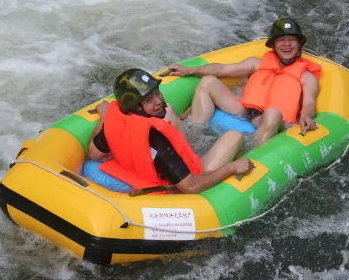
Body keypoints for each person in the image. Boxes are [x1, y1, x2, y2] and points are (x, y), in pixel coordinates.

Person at [87, 68, 254, 194]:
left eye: (157, 93)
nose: (159, 100)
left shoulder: (116, 121)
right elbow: (190, 187)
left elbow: (93, 153)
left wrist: (104, 118)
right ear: (136, 107)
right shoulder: (157, 140)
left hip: (144, 170)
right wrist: (231, 168)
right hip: (183, 182)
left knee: (169, 110)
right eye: (149, 100)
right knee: (235, 136)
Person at [168, 17, 322, 143]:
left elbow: (309, 103)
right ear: (273, 45)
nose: (287, 44)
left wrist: (306, 117)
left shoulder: (306, 77)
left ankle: (251, 156)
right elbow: (223, 69)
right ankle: (193, 139)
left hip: (274, 120)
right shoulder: (257, 64)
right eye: (281, 40)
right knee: (208, 81)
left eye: (292, 40)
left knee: (273, 113)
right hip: (246, 112)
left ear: (299, 44)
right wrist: (190, 70)